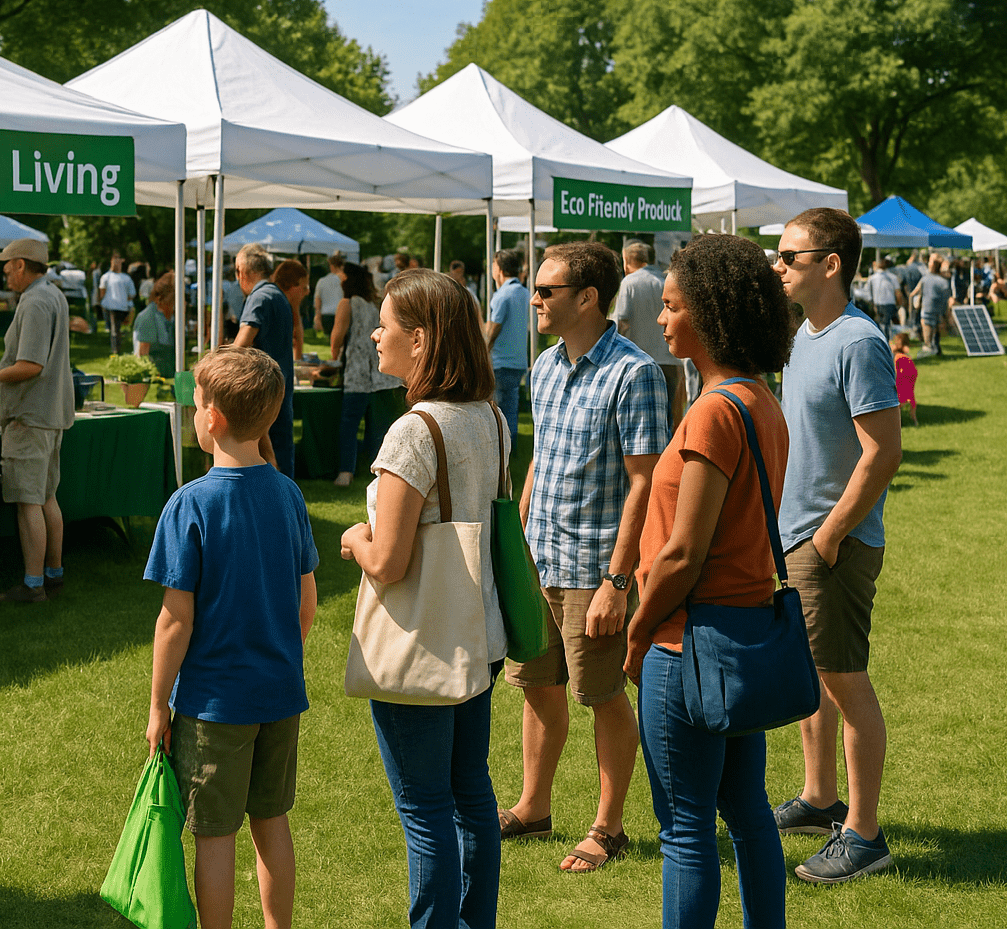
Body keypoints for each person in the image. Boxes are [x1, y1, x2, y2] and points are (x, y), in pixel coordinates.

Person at [623, 232, 796, 929]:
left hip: (687, 641)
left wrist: (637, 633)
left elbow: (681, 553)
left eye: (670, 307)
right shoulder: (759, 400)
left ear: (707, 313)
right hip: (743, 634)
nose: (661, 321)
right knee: (747, 813)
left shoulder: (712, 412)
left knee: (686, 828)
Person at [340, 268, 507, 929]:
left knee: (426, 806)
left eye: (384, 324)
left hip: (423, 647)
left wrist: (354, 538)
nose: (374, 334)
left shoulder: (413, 431)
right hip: (480, 633)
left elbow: (389, 558)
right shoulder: (488, 415)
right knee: (470, 791)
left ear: (421, 340)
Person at [500, 241, 669, 873]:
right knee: (535, 687)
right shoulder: (544, 366)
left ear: (588, 298)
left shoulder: (635, 373)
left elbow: (644, 485)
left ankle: (609, 826)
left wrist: (616, 581)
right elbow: (540, 461)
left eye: (546, 290)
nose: (534, 299)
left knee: (601, 695)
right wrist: (515, 547)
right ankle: (532, 808)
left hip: (593, 568)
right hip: (539, 561)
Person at [144, 346, 318, 929]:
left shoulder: (189, 504)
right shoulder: (290, 495)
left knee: (215, 835)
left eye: (196, 403)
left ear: (212, 418)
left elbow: (174, 620)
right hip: (279, 694)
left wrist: (157, 706)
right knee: (272, 821)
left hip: (214, 704)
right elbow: (306, 604)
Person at [771, 207, 902, 884]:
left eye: (790, 256)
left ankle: (865, 835)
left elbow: (883, 453)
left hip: (833, 544)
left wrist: (826, 537)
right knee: (813, 679)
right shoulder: (803, 336)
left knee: (846, 683)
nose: (778, 265)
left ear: (831, 264)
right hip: (798, 539)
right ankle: (821, 797)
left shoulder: (857, 341)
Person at [0, 239, 76, 603]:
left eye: (7, 264)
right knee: (47, 496)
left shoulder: (35, 301)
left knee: (28, 502)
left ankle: (33, 585)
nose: (3, 270)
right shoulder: (53, 295)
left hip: (31, 416)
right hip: (49, 414)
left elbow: (30, 366)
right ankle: (53, 573)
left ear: (21, 265)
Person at [329, 262, 401, 487]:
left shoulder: (347, 303)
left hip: (357, 373)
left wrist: (334, 359)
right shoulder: (374, 304)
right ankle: (378, 474)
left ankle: (346, 471)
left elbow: (337, 337)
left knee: (349, 425)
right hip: (381, 376)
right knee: (377, 429)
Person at [232, 245, 295, 477]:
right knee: (282, 445)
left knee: (268, 454)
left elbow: (242, 344)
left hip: (264, 387)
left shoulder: (258, 297)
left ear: (243, 271)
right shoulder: (277, 294)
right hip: (280, 383)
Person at [614, 240, 685, 428]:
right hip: (669, 360)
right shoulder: (665, 280)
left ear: (627, 261)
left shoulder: (629, 282)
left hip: (638, 360)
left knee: (641, 421)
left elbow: (622, 322)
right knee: (667, 419)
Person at [484, 248, 530, 443]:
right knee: (511, 406)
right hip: (519, 361)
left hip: (500, 360)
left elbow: (494, 327)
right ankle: (513, 445)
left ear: (500, 269)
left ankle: (500, 447)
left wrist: (482, 351)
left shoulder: (502, 295)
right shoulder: (525, 292)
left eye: (493, 265)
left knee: (496, 409)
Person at [134, 271, 179, 378]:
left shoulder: (172, 316)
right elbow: (143, 352)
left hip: (170, 370)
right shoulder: (147, 317)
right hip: (156, 373)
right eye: (172, 301)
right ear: (160, 299)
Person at [912, 255, 952, 356]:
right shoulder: (944, 281)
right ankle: (936, 347)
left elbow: (919, 293)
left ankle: (928, 347)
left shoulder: (926, 278)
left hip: (927, 307)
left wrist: (916, 303)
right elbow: (946, 297)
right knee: (936, 328)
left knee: (927, 327)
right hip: (939, 309)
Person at [97, 254, 135, 354]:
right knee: (115, 328)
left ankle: (116, 348)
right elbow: (102, 292)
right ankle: (115, 348)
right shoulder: (106, 277)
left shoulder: (126, 278)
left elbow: (132, 294)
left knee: (116, 328)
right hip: (111, 306)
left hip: (121, 306)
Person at [272, 259, 310, 360]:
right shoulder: (275, 307)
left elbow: (297, 341)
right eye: (304, 288)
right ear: (291, 286)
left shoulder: (288, 306)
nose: (307, 292)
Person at [865, 257, 902, 342]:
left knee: (881, 325)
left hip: (878, 303)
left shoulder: (872, 278)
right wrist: (899, 304)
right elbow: (898, 293)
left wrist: (873, 305)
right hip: (890, 303)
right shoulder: (892, 277)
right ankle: (892, 341)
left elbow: (869, 294)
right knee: (890, 324)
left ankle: (884, 341)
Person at [313, 251, 346, 338]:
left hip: (326, 314)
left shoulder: (322, 281)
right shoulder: (344, 280)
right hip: (341, 313)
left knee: (330, 341)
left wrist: (317, 316)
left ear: (331, 266)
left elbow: (317, 299)